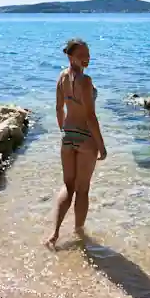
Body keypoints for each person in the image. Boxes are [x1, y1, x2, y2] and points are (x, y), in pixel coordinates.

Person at [46, 37, 106, 248]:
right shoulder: (85, 80)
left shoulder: (61, 77)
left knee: (68, 186)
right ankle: (79, 234)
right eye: (81, 55)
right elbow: (90, 116)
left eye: (88, 54)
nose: (86, 58)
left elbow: (58, 108)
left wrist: (64, 131)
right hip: (85, 138)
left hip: (68, 137)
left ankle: (54, 234)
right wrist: (101, 145)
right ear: (70, 56)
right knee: (82, 190)